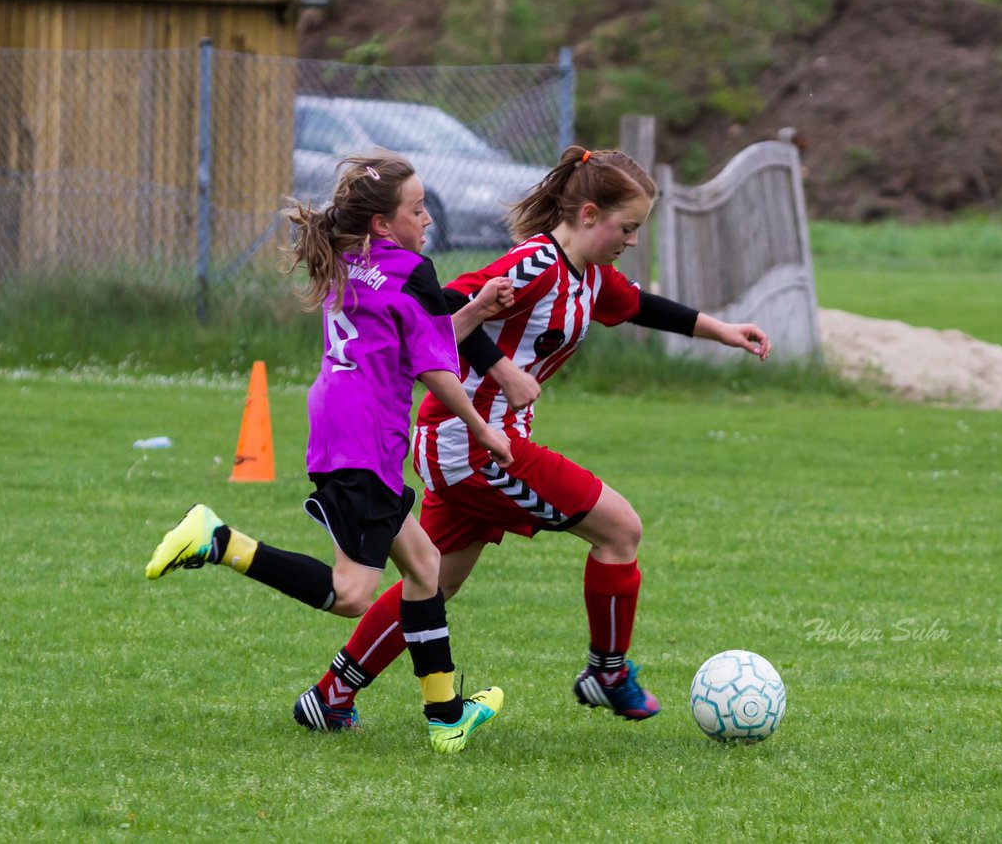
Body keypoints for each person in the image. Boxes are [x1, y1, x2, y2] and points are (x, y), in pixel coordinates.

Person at [293, 145, 771, 730]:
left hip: (461, 444)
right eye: (628, 227)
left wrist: (721, 330)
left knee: (432, 582)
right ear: (590, 214)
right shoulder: (533, 265)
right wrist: (500, 368)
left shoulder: (589, 275)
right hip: (475, 443)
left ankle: (331, 693)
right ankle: (607, 671)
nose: (632, 239)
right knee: (621, 530)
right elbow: (441, 305)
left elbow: (637, 304)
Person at [144, 150, 516, 754]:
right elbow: (432, 365)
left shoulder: (353, 257)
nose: (427, 221)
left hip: (341, 423)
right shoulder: (411, 270)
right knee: (352, 595)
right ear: (382, 223)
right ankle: (219, 541)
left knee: (424, 571)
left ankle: (446, 717)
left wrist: (473, 309)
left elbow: (413, 331)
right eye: (417, 210)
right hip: (365, 436)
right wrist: (482, 427)